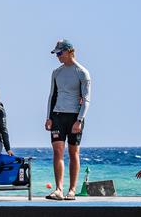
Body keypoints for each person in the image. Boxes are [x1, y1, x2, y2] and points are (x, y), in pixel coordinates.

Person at [44, 39, 91, 201]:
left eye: (60, 53)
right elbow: (52, 95)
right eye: (56, 54)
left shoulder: (82, 72)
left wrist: (80, 119)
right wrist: (48, 117)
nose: (58, 56)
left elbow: (86, 99)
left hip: (74, 117)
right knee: (57, 151)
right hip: (57, 115)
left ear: (70, 51)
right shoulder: (56, 72)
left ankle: (71, 190)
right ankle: (58, 189)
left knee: (73, 152)